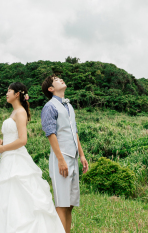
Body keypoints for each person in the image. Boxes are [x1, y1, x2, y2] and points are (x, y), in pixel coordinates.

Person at [0, 82, 65, 233]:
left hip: (16, 159)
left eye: (8, 91)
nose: (6, 94)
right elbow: (14, 137)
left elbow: (23, 140)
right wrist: (2, 141)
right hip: (8, 158)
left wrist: (3, 149)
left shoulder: (20, 112)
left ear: (17, 94)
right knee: (4, 195)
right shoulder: (13, 113)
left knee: (17, 194)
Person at [40, 75, 89, 233]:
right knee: (61, 204)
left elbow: (74, 131)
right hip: (61, 159)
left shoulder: (69, 106)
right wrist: (60, 160)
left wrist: (81, 155)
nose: (61, 80)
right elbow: (50, 134)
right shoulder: (50, 106)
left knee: (70, 205)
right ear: (51, 89)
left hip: (73, 158)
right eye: (57, 80)